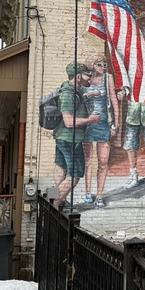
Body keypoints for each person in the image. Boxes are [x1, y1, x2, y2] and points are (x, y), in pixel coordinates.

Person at [53, 63, 100, 207]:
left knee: (61, 167)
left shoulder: (70, 89)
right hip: (70, 140)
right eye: (88, 76)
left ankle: (56, 200)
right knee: (75, 174)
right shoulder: (69, 94)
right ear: (78, 76)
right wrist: (90, 120)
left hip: (63, 138)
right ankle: (53, 204)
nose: (90, 79)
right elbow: (68, 121)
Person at [81, 55, 121, 208]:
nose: (103, 67)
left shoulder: (108, 78)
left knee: (103, 161)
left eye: (105, 64)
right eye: (99, 64)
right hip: (88, 123)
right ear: (92, 65)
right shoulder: (86, 78)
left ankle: (99, 195)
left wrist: (116, 124)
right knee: (88, 160)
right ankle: (87, 192)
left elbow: (113, 100)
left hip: (103, 122)